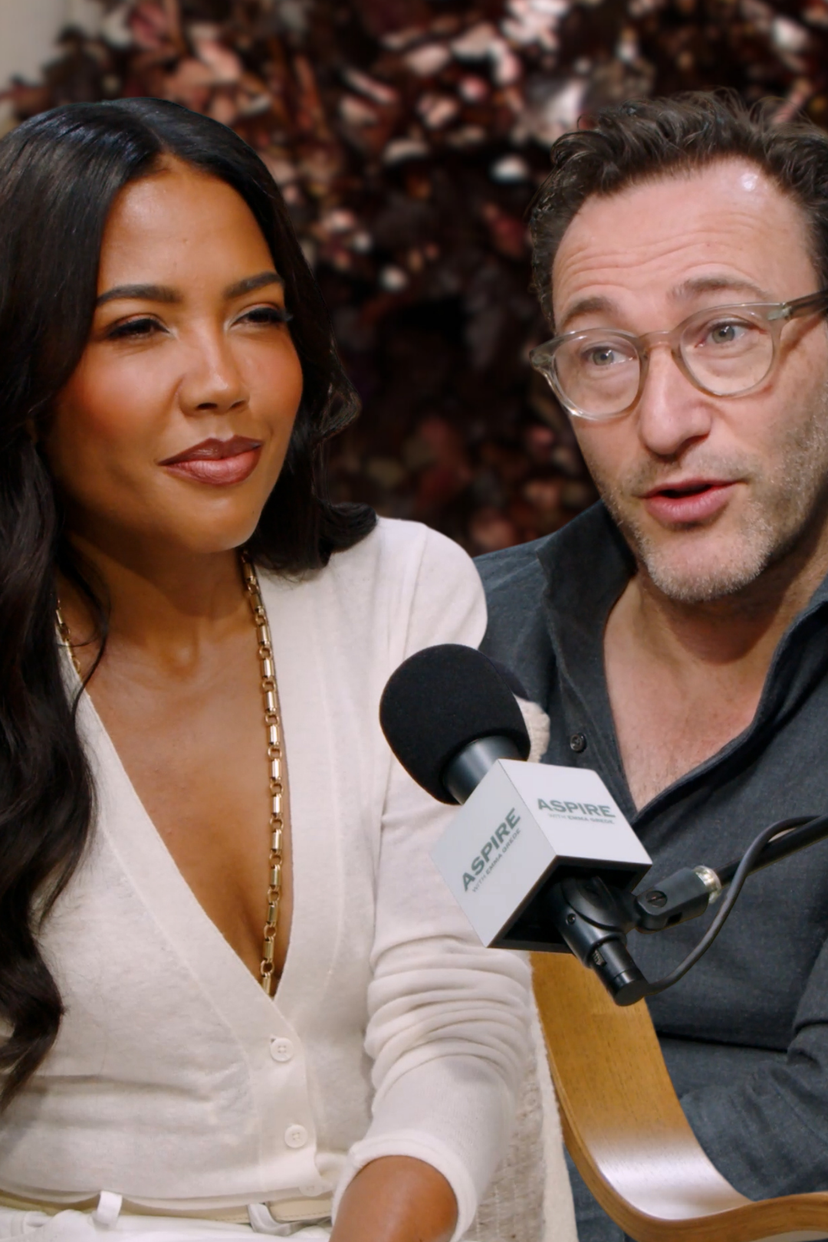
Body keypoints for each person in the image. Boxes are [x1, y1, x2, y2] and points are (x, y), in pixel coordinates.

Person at [0, 99, 561, 1242]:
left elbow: (453, 1009)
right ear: (25, 375)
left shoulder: (406, 594)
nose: (222, 381)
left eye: (258, 315)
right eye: (137, 329)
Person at [477, 91, 828, 1241]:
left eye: (725, 333)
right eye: (604, 353)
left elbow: (814, 1123)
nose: (663, 417)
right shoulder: (471, 638)